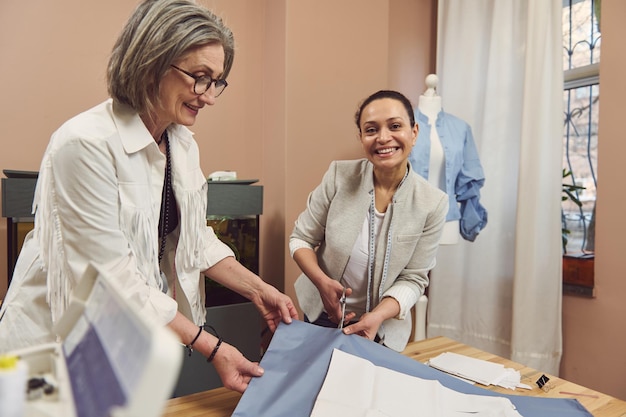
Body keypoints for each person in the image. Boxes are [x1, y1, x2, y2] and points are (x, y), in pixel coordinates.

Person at [0, 0, 297, 393]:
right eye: (199, 77)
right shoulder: (84, 144)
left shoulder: (182, 145)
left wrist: (261, 290)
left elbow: (195, 240)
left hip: (121, 342)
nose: (207, 96)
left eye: (216, 81)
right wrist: (214, 348)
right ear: (152, 62)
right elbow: (110, 282)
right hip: (49, 344)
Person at [290, 90, 449, 352]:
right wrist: (320, 281)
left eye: (395, 126)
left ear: (414, 132)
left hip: (383, 327)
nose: (383, 138)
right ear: (362, 138)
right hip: (322, 314)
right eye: (371, 130)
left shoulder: (433, 203)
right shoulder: (339, 176)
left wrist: (377, 316)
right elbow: (300, 239)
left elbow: (414, 279)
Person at [409, 74, 487, 242]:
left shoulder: (461, 128)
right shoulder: (402, 126)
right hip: (408, 217)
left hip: (447, 220)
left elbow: (470, 180)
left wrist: (471, 221)